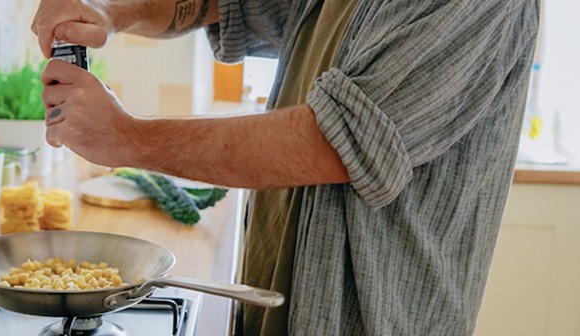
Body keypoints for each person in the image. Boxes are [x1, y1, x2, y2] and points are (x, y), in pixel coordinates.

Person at [31, 0, 539, 335]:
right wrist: (108, 8)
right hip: (276, 306)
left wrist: (124, 136)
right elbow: (226, 4)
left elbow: (335, 142)